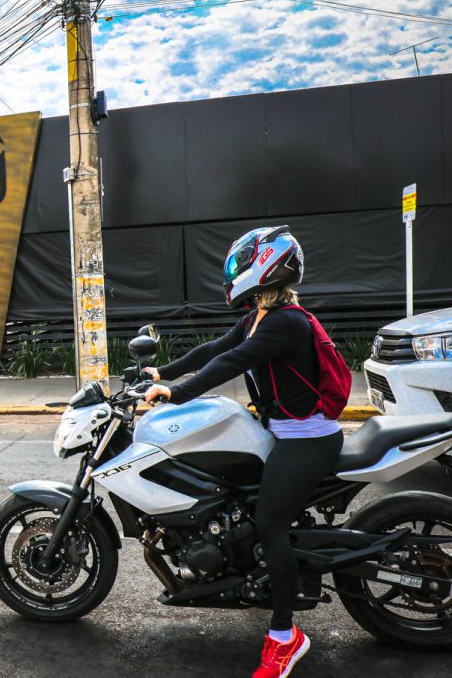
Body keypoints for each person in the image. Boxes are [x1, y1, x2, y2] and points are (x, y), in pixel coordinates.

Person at [141, 226, 339, 678]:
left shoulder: (286, 322)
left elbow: (230, 363)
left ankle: (285, 637)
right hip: (283, 432)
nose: (232, 274)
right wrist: (161, 372)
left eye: (239, 265)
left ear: (266, 266)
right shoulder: (259, 316)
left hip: (306, 440)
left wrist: (175, 393)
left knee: (270, 525)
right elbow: (216, 348)